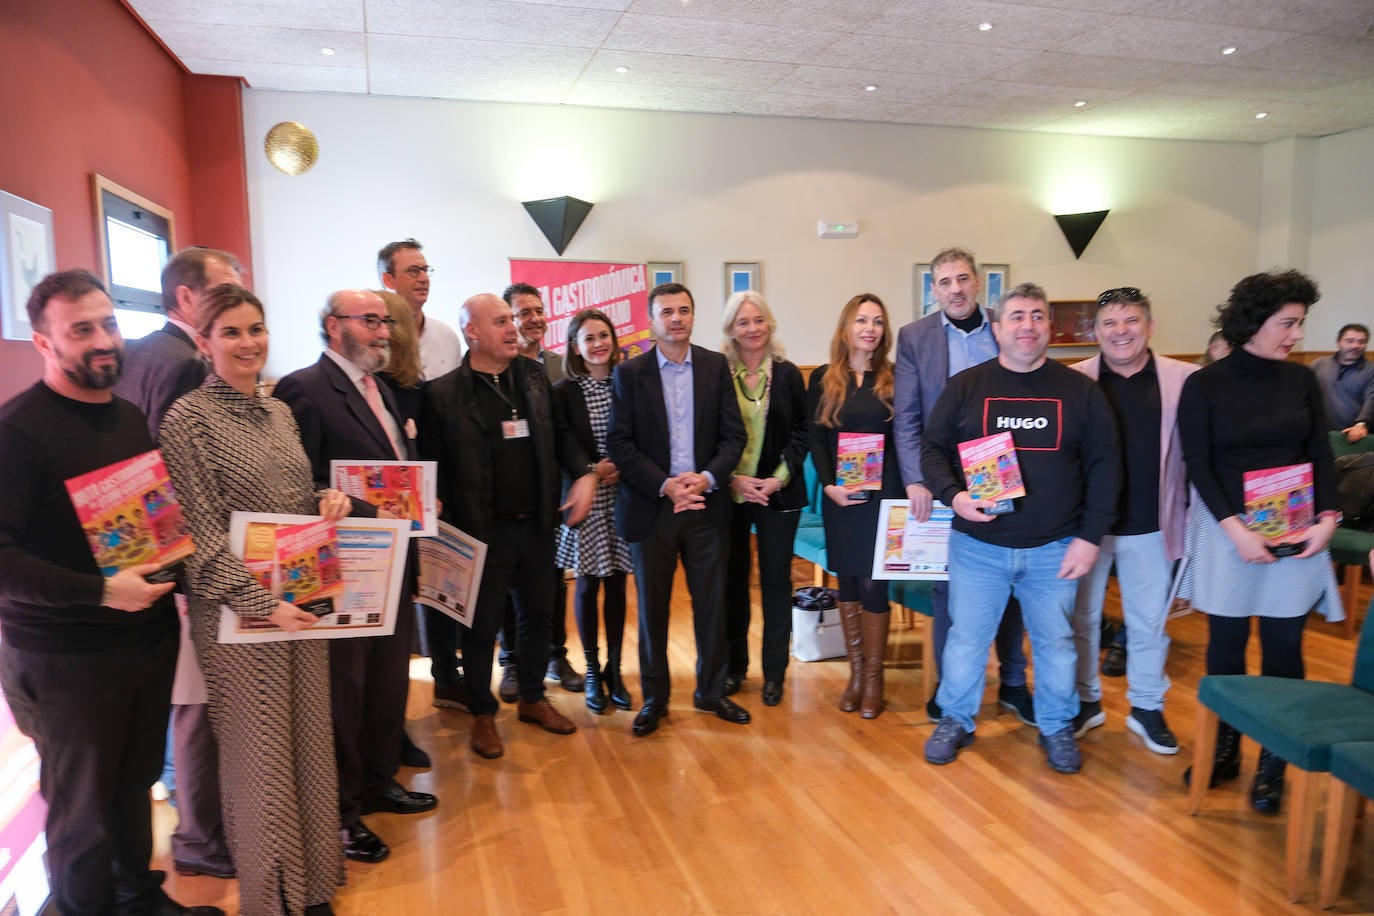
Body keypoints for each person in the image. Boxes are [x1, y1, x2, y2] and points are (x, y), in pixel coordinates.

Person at [0, 269, 221, 916]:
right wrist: (99, 594)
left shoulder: (127, 415)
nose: (103, 340)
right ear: (44, 343)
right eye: (81, 330)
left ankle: (138, 898)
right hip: (65, 658)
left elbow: (149, 523)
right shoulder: (16, 433)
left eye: (109, 323)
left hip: (144, 640)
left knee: (134, 788)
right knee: (82, 811)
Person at [160, 284, 352, 916]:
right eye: (232, 333)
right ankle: (273, 900)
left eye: (257, 329)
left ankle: (315, 889)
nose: (249, 343)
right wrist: (260, 602)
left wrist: (326, 500)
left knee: (309, 745)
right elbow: (198, 532)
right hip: (239, 617)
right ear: (204, 342)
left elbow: (294, 497)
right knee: (260, 762)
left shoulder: (279, 412)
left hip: (300, 602)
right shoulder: (187, 420)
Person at [921, 283, 1119, 775]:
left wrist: (1089, 538)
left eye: (1036, 316)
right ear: (998, 326)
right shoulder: (966, 386)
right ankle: (956, 719)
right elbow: (932, 450)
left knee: (1055, 642)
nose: (1027, 325)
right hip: (978, 547)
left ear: (1048, 326)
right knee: (967, 638)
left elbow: (1105, 467)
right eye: (1016, 316)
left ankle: (1056, 725)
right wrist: (955, 496)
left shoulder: (1081, 393)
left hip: (1055, 548)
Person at [273, 290, 438, 866]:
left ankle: (375, 783)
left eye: (383, 322)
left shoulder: (384, 390)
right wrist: (361, 509)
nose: (381, 331)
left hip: (391, 562)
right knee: (345, 692)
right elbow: (303, 483)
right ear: (331, 325)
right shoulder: (304, 389)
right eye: (369, 321)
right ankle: (341, 816)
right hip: (343, 568)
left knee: (388, 684)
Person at [1177, 269, 1342, 812]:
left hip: (1295, 527)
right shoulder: (1206, 384)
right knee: (1224, 647)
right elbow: (1198, 464)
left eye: (1300, 324)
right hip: (1229, 528)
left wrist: (1328, 517)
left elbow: (1320, 453)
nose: (1296, 334)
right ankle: (1224, 749)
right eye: (1287, 323)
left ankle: (1273, 760)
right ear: (1255, 322)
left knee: (1284, 648)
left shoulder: (1300, 382)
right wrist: (1236, 531)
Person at [418, 293, 596, 759]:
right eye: (501, 321)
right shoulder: (442, 394)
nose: (513, 328)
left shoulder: (535, 379)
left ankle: (534, 698)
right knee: (479, 629)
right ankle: (482, 712)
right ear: (471, 331)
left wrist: (584, 474)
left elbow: (561, 438)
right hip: (478, 532)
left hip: (537, 526)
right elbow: (429, 465)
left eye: (512, 320)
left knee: (538, 617)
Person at [112, 246, 242, 881]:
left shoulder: (137, 352)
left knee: (180, 705)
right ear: (188, 299)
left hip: (141, 556)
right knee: (198, 708)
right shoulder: (189, 366)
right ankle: (202, 839)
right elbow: (184, 471)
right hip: (187, 561)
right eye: (225, 290)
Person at [894, 247, 1034, 726]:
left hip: (1003, 470)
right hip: (940, 475)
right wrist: (916, 477)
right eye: (944, 282)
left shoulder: (1006, 324)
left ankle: (1014, 683)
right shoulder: (914, 336)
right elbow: (909, 415)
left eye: (962, 279)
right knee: (944, 588)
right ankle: (950, 688)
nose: (954, 289)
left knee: (1015, 581)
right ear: (933, 290)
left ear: (979, 284)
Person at [607, 282, 748, 737]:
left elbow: (733, 438)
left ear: (693, 316)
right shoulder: (630, 374)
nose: (676, 318)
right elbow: (621, 445)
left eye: (684, 310)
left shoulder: (714, 367)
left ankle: (710, 692)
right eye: (666, 311)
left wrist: (705, 479)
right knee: (653, 610)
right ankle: (655, 698)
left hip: (705, 503)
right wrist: (666, 485)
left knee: (712, 604)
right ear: (652, 321)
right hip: (654, 507)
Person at [1069, 287, 1198, 755]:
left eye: (1131, 321)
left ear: (1149, 325)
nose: (1120, 331)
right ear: (1095, 331)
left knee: (1149, 622)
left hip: (1153, 522)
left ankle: (1146, 707)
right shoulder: (1075, 379)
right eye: (1110, 323)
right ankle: (1086, 701)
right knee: (1081, 618)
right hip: (1088, 528)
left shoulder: (1184, 379)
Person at [808, 293, 903, 717]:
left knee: (872, 584)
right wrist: (829, 485)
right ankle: (856, 674)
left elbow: (905, 441)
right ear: (846, 327)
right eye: (861, 320)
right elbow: (816, 439)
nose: (869, 328)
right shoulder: (824, 380)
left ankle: (875, 679)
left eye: (878, 321)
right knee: (846, 581)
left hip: (883, 497)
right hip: (841, 498)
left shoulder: (897, 379)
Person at [716, 292, 809, 706]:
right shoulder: (717, 373)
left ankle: (774, 673)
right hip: (730, 492)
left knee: (775, 582)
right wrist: (732, 479)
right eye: (742, 322)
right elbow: (710, 432)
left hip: (777, 491)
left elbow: (801, 433)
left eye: (759, 320)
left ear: (769, 324)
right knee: (733, 583)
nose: (752, 328)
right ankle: (736, 668)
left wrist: (776, 480)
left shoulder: (788, 375)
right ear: (730, 330)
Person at [501, 282, 581, 695]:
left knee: (553, 581)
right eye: (522, 312)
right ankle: (511, 661)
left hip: (555, 495)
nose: (534, 319)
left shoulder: (560, 367)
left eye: (538, 310)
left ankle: (556, 655)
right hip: (512, 498)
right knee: (510, 586)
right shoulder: (501, 367)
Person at [553, 308, 634, 712]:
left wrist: (626, 466)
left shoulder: (628, 382)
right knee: (586, 584)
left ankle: (615, 669)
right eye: (589, 338)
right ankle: (590, 669)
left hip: (623, 495)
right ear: (576, 346)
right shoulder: (565, 390)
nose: (598, 344)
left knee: (618, 583)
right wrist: (592, 470)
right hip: (587, 496)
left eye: (604, 335)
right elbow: (564, 441)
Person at [378, 238, 460, 381]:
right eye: (413, 271)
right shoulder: (376, 337)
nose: (424, 279)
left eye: (425, 270)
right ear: (388, 280)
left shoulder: (446, 336)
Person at [1310, 323, 1374, 443]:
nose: (1356, 345)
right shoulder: (1318, 364)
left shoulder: (1371, 370)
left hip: (1354, 435)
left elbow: (1371, 400)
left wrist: (1361, 425)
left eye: (1361, 342)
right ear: (1338, 342)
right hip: (1320, 434)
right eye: (1349, 341)